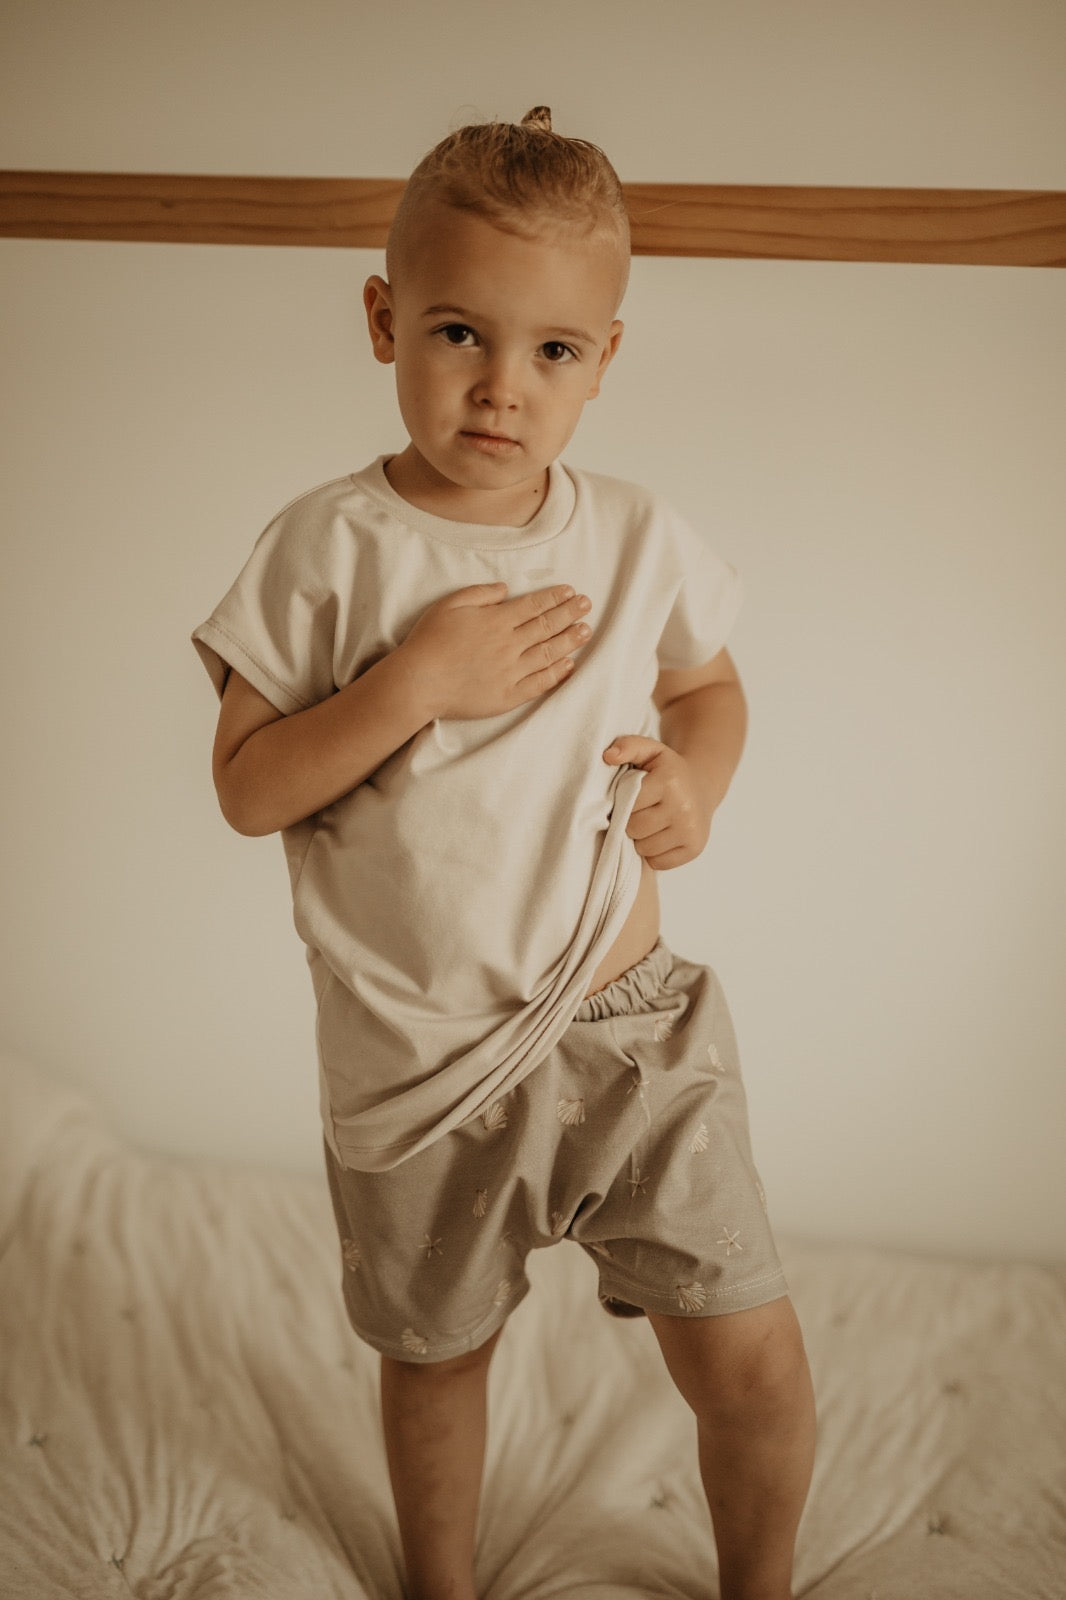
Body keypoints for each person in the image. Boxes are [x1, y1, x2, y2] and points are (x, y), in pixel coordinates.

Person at [192, 105, 816, 1600]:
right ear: (383, 320)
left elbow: (710, 691)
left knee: (750, 1354)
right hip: (416, 1054)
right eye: (459, 332)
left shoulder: (636, 536)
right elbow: (248, 789)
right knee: (436, 1356)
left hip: (627, 1027)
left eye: (553, 350)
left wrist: (698, 781)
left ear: (605, 360)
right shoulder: (326, 548)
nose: (501, 385)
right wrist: (413, 683)